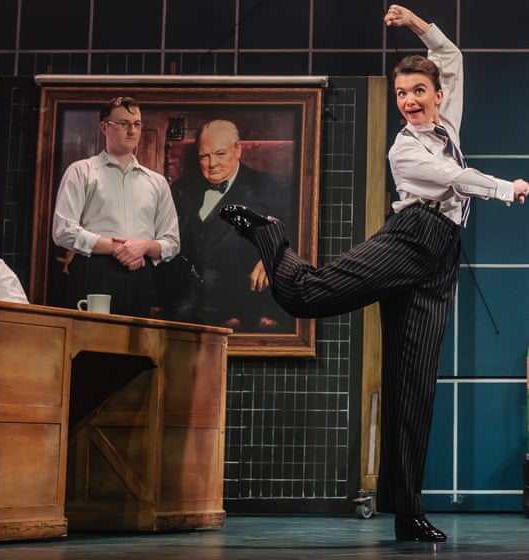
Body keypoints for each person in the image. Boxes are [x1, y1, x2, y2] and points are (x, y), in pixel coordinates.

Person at [219, 4, 529, 542]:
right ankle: (269, 235)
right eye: (401, 93)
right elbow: (454, 179)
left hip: (441, 255)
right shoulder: (404, 150)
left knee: (415, 385)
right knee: (307, 294)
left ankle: (407, 511)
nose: (408, 101)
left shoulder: (446, 125)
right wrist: (508, 187)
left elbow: (451, 56)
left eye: (417, 91)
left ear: (437, 95)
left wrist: (413, 22)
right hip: (412, 237)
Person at [52, 96, 180, 317]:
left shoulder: (157, 183)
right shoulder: (82, 172)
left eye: (137, 124)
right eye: (123, 124)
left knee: (135, 340)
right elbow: (63, 231)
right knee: (92, 338)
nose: (132, 130)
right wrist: (116, 248)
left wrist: (143, 247)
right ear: (105, 127)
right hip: (94, 271)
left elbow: (172, 242)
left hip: (140, 274)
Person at [166, 119, 293, 331]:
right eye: (204, 156)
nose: (212, 163)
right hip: (187, 302)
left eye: (220, 153)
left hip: (241, 302)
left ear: (238, 150)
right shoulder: (181, 189)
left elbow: (296, 231)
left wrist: (276, 256)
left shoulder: (271, 187)